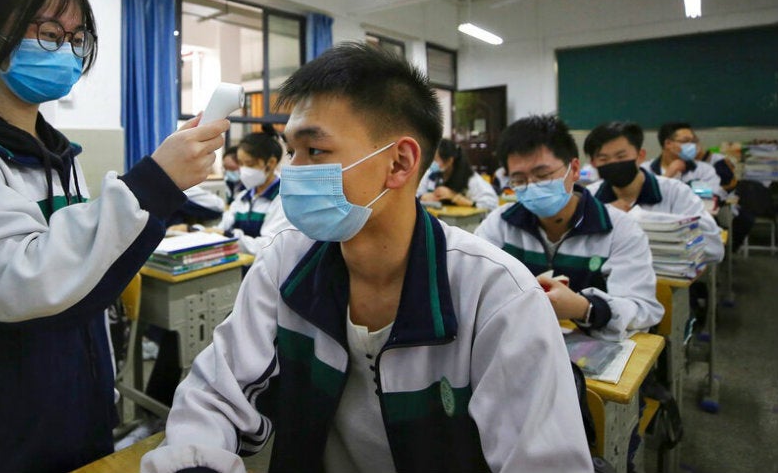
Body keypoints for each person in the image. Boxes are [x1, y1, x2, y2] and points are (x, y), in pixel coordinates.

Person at [141, 43, 592, 472]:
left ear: (398, 163)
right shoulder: (287, 261)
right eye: (291, 150)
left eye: (315, 150)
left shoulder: (495, 296)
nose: (294, 171)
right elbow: (217, 394)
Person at [0, 0, 228, 473]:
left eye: (77, 40)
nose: (67, 51)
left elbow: (78, 275)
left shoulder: (55, 156)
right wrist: (156, 182)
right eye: (49, 33)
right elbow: (22, 280)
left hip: (69, 400)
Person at [475, 115, 663, 342]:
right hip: (519, 341)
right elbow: (473, 284)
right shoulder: (500, 224)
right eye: (519, 179)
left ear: (573, 169)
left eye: (543, 175)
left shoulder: (618, 229)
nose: (532, 186)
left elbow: (642, 308)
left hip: (592, 347)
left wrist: (583, 308)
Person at [583, 121, 723, 263]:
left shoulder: (677, 192)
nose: (613, 163)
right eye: (603, 159)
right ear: (594, 163)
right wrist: (603, 214)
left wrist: (639, 218)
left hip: (666, 279)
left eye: (621, 157)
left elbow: (714, 248)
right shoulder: (590, 197)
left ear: (640, 156)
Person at [211, 125, 292, 255]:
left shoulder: (283, 199)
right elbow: (222, 227)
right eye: (241, 164)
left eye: (249, 164)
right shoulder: (243, 197)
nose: (243, 170)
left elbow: (268, 246)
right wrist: (194, 230)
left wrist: (228, 237)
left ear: (270, 163)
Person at [644, 122, 722, 198]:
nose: (692, 145)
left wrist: (689, 185)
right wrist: (667, 175)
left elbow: (712, 192)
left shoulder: (704, 169)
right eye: (685, 141)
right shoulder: (646, 169)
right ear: (668, 143)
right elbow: (642, 195)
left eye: (693, 141)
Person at [416, 138, 498, 211]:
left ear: (450, 160)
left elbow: (491, 204)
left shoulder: (470, 179)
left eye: (436, 159)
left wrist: (455, 197)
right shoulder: (431, 176)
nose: (433, 163)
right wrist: (422, 197)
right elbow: (414, 195)